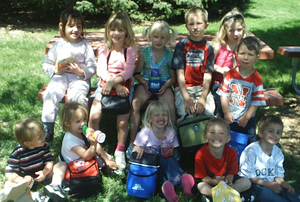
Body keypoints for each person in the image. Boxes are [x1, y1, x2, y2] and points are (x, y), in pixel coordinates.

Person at [88, 12, 137, 173]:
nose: (116, 33)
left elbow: (129, 70)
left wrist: (115, 84)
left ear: (127, 32)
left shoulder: (129, 50)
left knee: (123, 120)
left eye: (121, 30)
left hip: (124, 86)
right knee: (94, 115)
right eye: (113, 29)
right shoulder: (104, 49)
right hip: (105, 85)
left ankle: (120, 150)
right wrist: (113, 85)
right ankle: (95, 146)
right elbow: (101, 69)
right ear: (108, 31)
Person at [42, 8, 96, 142]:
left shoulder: (85, 45)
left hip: (79, 78)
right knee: (51, 93)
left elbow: (93, 66)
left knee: (78, 97)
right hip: (60, 77)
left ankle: (81, 128)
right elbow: (46, 64)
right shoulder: (58, 45)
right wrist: (55, 71)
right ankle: (48, 127)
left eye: (78, 26)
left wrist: (81, 72)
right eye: (71, 26)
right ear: (62, 26)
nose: (75, 30)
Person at [127, 21, 178, 158]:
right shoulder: (144, 53)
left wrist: (166, 86)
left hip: (163, 84)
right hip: (147, 83)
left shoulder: (170, 54)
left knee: (171, 107)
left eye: (162, 37)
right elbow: (136, 73)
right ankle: (133, 140)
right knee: (135, 104)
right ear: (150, 37)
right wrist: (144, 82)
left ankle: (173, 142)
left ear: (168, 38)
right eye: (155, 37)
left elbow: (173, 78)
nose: (159, 40)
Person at [131, 101, 190, 200]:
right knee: (157, 168)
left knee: (169, 159)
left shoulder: (170, 132)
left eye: (164, 114)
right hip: (150, 164)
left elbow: (175, 151)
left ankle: (183, 182)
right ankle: (167, 186)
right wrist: (139, 147)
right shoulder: (145, 132)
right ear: (150, 118)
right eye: (157, 115)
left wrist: (172, 151)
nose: (161, 117)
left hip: (166, 160)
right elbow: (135, 149)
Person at [217, 36, 266, 144]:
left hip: (247, 119)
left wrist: (246, 117)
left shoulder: (256, 79)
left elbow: (256, 102)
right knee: (226, 140)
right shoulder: (230, 74)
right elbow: (223, 94)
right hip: (229, 116)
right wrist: (226, 113)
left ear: (257, 57)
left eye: (250, 54)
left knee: (249, 142)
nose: (246, 58)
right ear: (237, 53)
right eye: (242, 53)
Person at [239, 115, 300, 202]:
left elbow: (278, 176)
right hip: (254, 185)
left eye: (278, 132)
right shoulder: (251, 151)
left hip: (272, 184)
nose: (275, 135)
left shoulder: (278, 153)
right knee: (270, 196)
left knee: (293, 195)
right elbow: (250, 177)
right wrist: (269, 185)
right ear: (260, 133)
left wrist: (284, 184)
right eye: (271, 131)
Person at [5, 118, 67, 202]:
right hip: (27, 180)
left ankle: (55, 186)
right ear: (27, 143)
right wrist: (22, 180)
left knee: (61, 165)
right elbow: (10, 172)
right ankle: (35, 196)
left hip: (42, 173)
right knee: (9, 184)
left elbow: (49, 161)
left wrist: (44, 172)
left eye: (43, 133)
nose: (44, 137)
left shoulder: (44, 146)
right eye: (39, 137)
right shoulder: (18, 152)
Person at [171, 7, 215, 123]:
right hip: (184, 89)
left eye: (199, 23)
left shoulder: (208, 48)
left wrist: (203, 98)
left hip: (202, 88)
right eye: (191, 24)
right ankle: (185, 140)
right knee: (188, 116)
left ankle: (206, 140)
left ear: (206, 25)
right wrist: (186, 98)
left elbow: (208, 75)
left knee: (209, 114)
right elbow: (179, 74)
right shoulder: (182, 45)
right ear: (186, 26)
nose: (195, 27)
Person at [192, 118, 252, 201]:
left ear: (228, 138)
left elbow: (232, 172)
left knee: (246, 182)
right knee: (201, 186)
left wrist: (228, 181)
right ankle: (232, 196)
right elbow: (203, 176)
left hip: (227, 182)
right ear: (205, 137)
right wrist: (213, 182)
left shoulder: (232, 152)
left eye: (221, 133)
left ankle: (217, 197)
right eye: (212, 132)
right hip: (210, 182)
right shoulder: (201, 154)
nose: (216, 136)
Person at [60, 102, 118, 171]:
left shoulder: (81, 131)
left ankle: (107, 164)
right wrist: (93, 145)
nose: (83, 123)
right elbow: (86, 156)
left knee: (98, 156)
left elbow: (97, 146)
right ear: (67, 124)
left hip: (84, 156)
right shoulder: (70, 141)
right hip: (73, 165)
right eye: (78, 121)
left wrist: (107, 160)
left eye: (84, 119)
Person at [211, 8, 247, 117]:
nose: (236, 34)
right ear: (225, 30)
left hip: (239, 85)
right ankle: (222, 120)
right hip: (219, 84)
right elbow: (207, 65)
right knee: (224, 100)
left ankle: (239, 127)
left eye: (239, 30)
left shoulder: (244, 46)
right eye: (231, 31)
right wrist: (220, 69)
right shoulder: (218, 46)